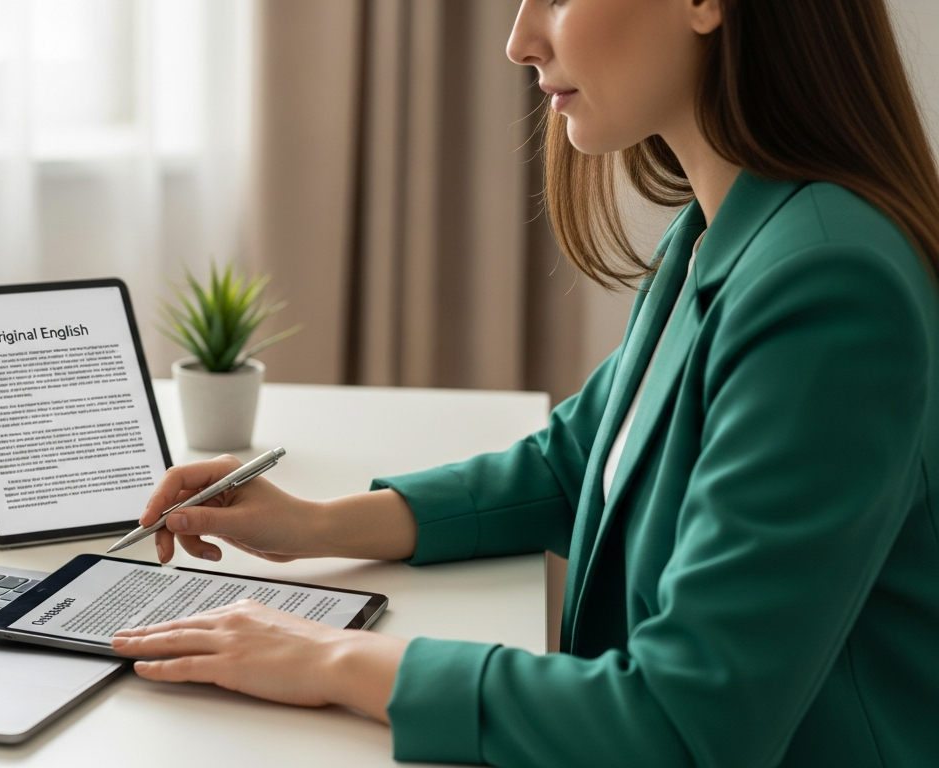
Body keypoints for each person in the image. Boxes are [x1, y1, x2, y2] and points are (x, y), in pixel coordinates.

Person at [111, 0, 939, 765]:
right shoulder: (716, 233)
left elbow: (687, 720)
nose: (519, 42)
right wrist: (315, 524)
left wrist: (332, 658)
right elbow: (575, 465)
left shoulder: (827, 286)